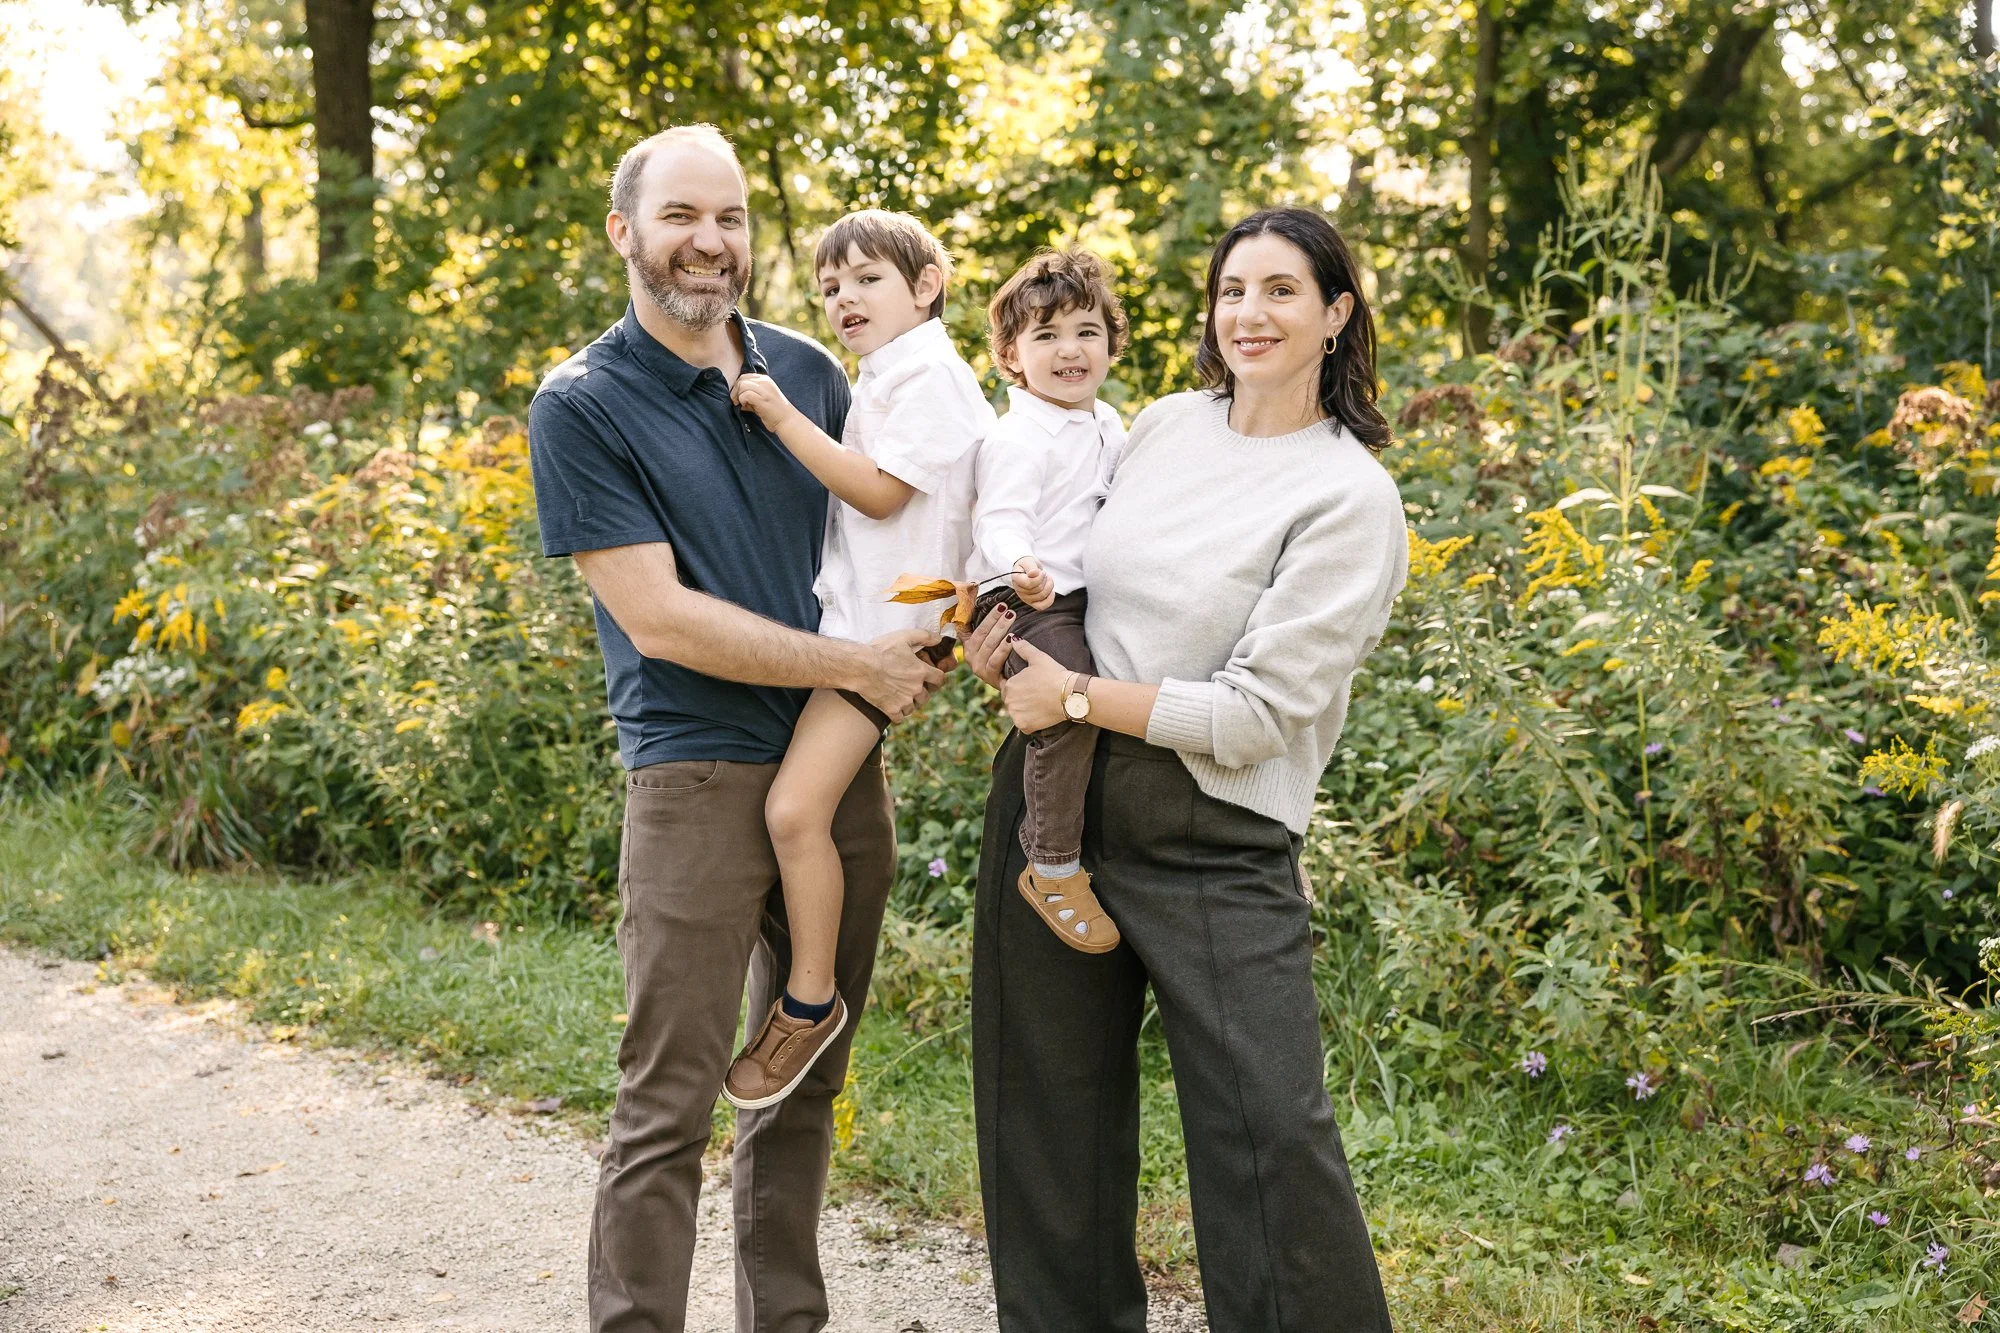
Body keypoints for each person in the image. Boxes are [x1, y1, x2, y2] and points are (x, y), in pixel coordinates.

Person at [525, 125, 946, 1333]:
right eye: (679, 217)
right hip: (695, 774)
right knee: (666, 1105)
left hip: (833, 763)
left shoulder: (817, 372)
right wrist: (858, 663)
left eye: (731, 219)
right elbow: (659, 620)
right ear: (624, 233)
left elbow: (901, 521)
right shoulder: (583, 403)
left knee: (802, 1083)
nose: (709, 242)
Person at [960, 206, 1407, 1333]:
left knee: (1269, 1134)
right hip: (1051, 808)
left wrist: (1071, 696)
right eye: (1230, 291)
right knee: (1044, 1122)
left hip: (1212, 829)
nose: (1247, 314)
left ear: (1334, 314)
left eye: (1279, 292)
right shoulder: (1157, 425)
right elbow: (1064, 578)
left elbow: (1259, 714)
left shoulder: (1348, 495)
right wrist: (1008, 640)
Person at [725, 208, 994, 1109]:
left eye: (868, 279)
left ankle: (809, 999)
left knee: (795, 812)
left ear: (927, 286)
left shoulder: (934, 380)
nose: (844, 298)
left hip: (889, 642)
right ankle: (804, 986)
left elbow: (878, 495)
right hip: (856, 633)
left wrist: (779, 412)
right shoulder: (887, 376)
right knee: (806, 814)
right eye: (831, 286)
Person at [967, 248, 1129, 954]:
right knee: (1068, 702)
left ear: (1111, 342)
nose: (1070, 350)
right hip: (1021, 599)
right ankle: (1052, 862)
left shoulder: (1109, 425)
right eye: (1046, 335)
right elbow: (998, 518)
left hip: (1080, 595)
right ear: (1010, 355)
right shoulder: (1018, 436)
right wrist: (1021, 563)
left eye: (1086, 331)